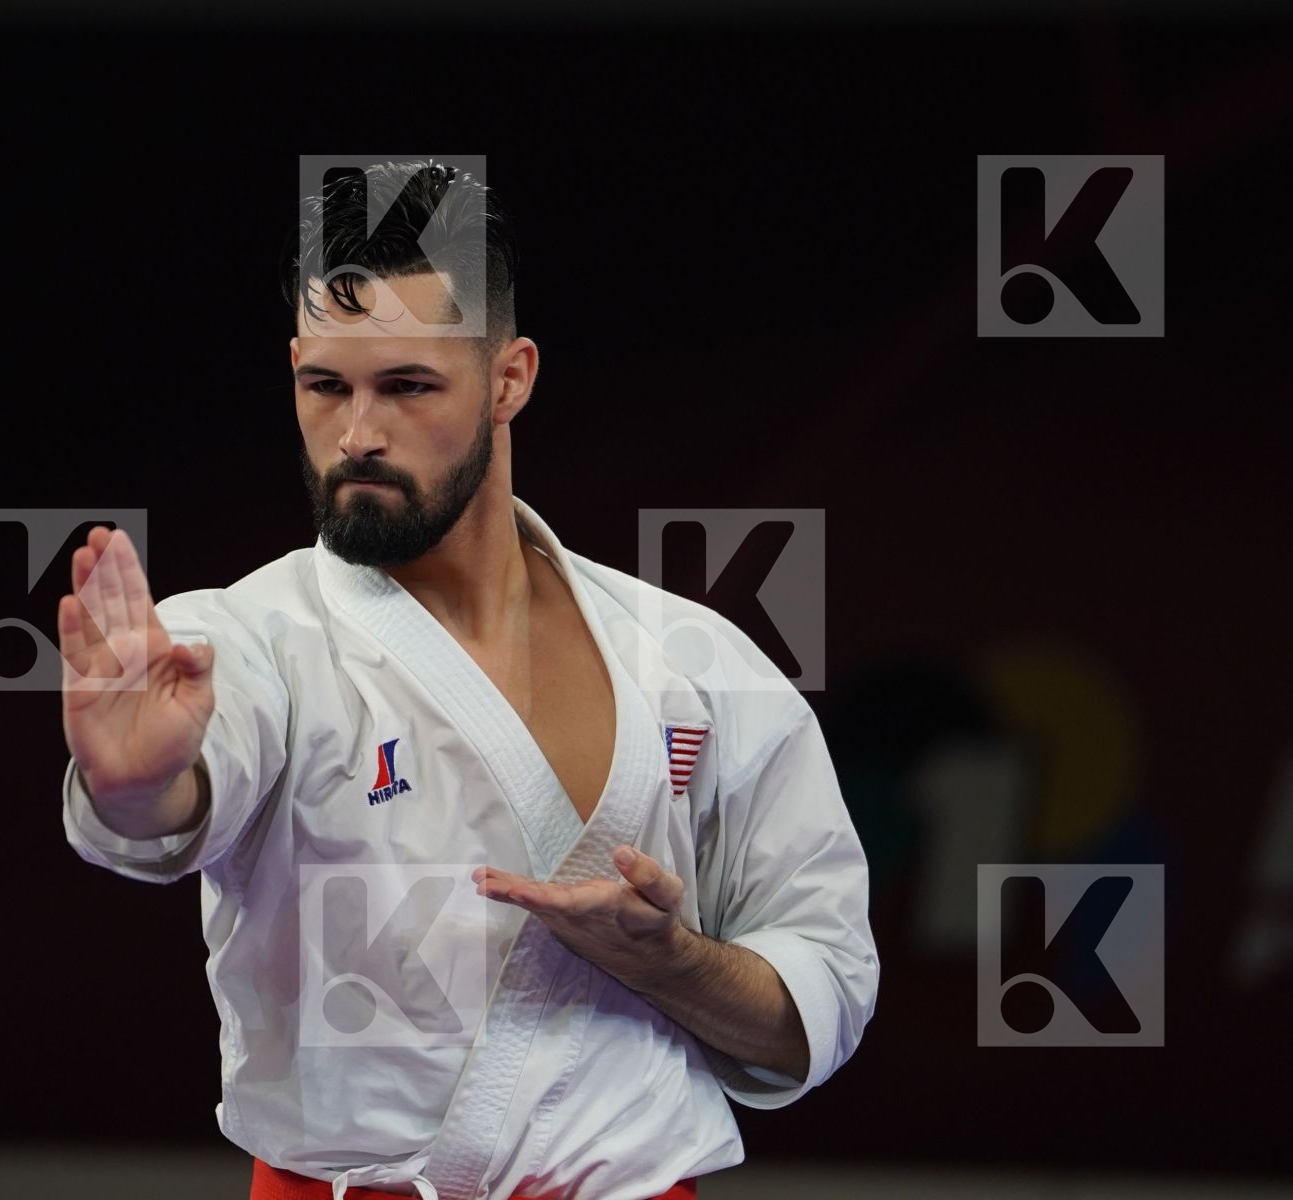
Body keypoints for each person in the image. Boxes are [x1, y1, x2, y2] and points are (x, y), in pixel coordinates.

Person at [56, 161, 878, 1200]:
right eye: (326, 387)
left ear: (510, 378)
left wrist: (674, 961)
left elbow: (829, 988)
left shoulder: (694, 661)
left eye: (406, 385)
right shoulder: (238, 642)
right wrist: (134, 791)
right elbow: (183, 792)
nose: (357, 433)